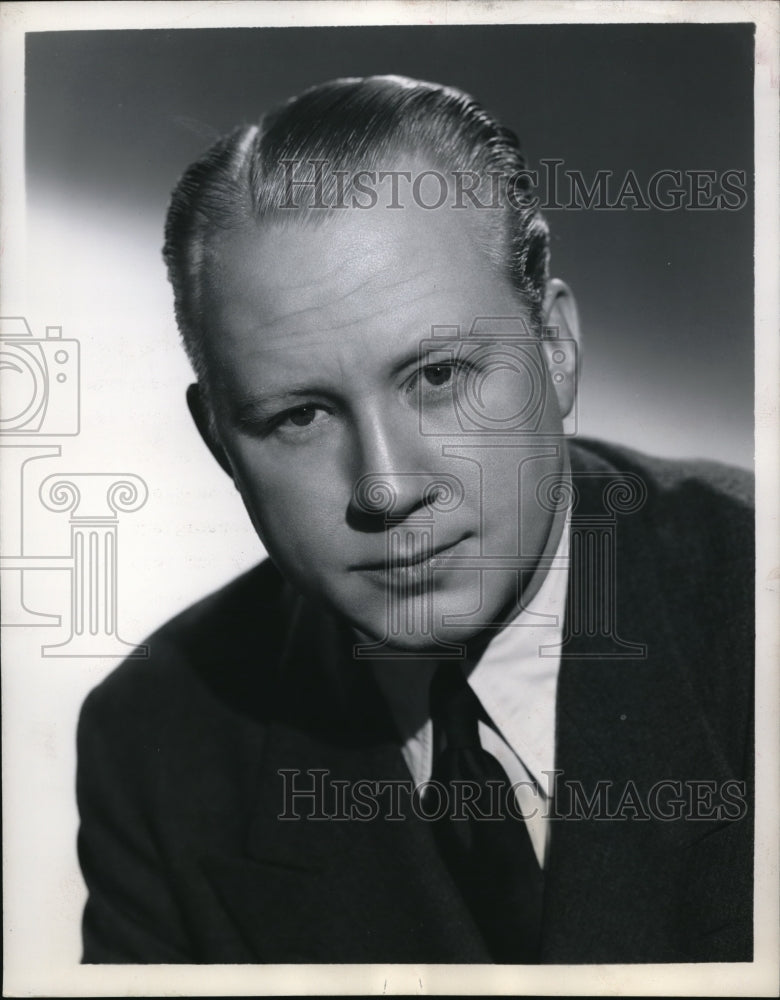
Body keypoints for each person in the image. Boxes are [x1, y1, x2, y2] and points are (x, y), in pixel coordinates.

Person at [76, 75, 754, 964]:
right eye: (299, 416)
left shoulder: (756, 604)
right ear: (219, 444)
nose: (387, 489)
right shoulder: (159, 742)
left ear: (553, 349)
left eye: (437, 377)